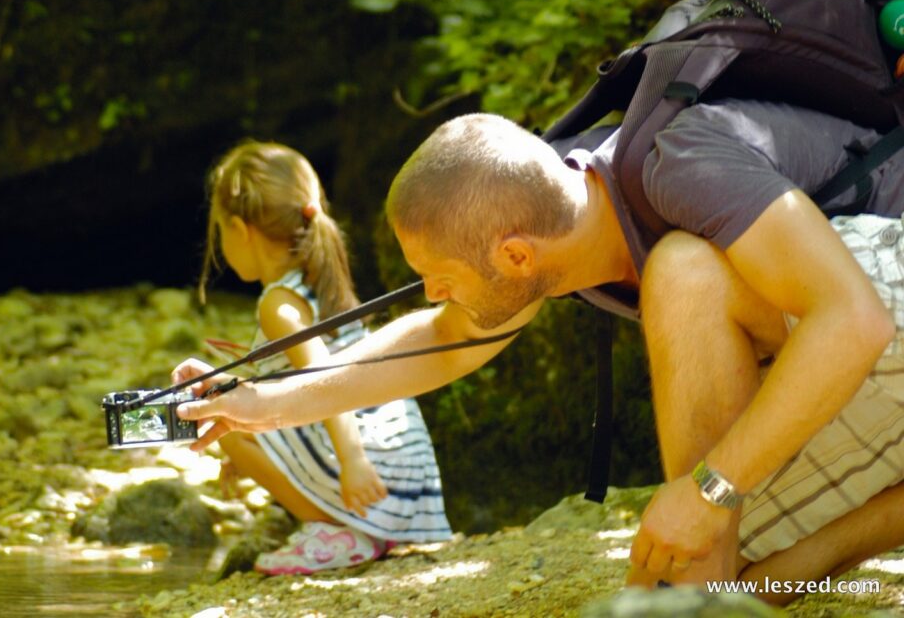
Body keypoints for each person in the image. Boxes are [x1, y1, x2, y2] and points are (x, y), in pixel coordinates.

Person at [173, 100, 904, 603]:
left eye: (442, 279)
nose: (431, 295)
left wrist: (710, 490)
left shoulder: (682, 160)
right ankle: (786, 570)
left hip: (869, 305)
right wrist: (260, 404)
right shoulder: (560, 201)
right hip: (852, 367)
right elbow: (447, 340)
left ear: (516, 256)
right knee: (709, 569)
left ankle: (707, 596)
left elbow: (853, 320)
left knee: (683, 275)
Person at [175, 141, 452, 575]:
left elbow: (328, 377)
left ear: (240, 229)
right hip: (407, 465)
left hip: (373, 466)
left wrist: (353, 463)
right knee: (246, 417)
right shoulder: (318, 283)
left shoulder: (278, 305)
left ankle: (335, 531)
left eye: (220, 231)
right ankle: (358, 524)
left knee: (220, 419)